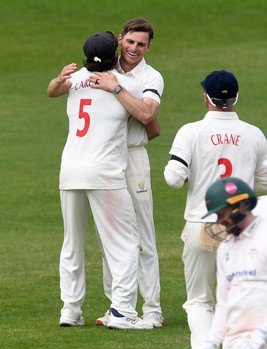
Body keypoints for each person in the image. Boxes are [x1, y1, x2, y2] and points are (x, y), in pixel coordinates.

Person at [164, 70, 267, 349]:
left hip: (200, 225)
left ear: (206, 97)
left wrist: (189, 174)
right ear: (234, 99)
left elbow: (173, 179)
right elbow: (264, 181)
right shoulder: (253, 134)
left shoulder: (190, 131)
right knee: (236, 295)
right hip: (240, 228)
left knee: (199, 301)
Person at [47, 31, 154, 330]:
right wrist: (118, 88)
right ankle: (121, 311)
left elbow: (52, 90)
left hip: (69, 171)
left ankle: (70, 310)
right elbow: (147, 116)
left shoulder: (74, 81)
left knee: (72, 243)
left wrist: (58, 80)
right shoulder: (128, 85)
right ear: (115, 53)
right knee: (123, 243)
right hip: (105, 172)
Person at [88, 18, 164, 328]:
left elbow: (149, 117)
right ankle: (118, 306)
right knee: (111, 238)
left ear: (149, 47)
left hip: (132, 159)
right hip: (105, 159)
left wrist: (117, 89)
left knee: (143, 236)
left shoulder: (151, 76)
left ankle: (153, 310)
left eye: (141, 44)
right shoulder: (104, 65)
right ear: (120, 39)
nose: (134, 49)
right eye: (130, 42)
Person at [184, 177, 267, 349]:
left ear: (243, 204)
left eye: (223, 214)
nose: (221, 222)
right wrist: (208, 346)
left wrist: (260, 335)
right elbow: (224, 305)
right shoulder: (226, 249)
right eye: (217, 216)